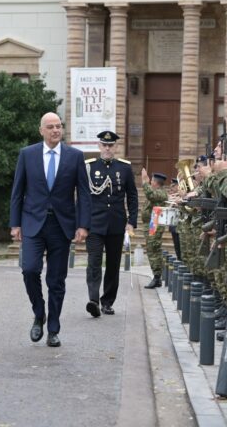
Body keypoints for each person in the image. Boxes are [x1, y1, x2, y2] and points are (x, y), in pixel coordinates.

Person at [10, 112, 91, 347]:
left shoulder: (74, 157)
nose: (56, 130)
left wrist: (83, 225)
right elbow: (17, 191)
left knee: (56, 280)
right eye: (51, 127)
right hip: (33, 224)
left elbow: (84, 194)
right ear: (41, 130)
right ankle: (39, 313)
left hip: (61, 226)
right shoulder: (28, 155)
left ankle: (53, 329)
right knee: (29, 270)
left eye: (59, 126)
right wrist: (15, 224)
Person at [83, 130, 138, 317]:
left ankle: (107, 301)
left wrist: (131, 221)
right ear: (99, 146)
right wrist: (81, 223)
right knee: (94, 262)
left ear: (115, 147)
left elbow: (132, 196)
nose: (107, 148)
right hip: (95, 223)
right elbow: (82, 197)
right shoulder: (89, 167)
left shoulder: (124, 168)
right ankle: (93, 300)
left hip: (116, 222)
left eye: (110, 145)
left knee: (113, 264)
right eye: (104, 145)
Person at [142, 170, 168, 289]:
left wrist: (144, 182)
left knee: (153, 250)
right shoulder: (156, 191)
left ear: (156, 183)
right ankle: (156, 276)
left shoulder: (161, 193)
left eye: (151, 180)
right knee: (151, 250)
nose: (150, 182)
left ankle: (157, 277)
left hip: (155, 224)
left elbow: (150, 195)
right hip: (151, 224)